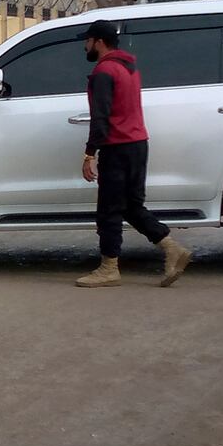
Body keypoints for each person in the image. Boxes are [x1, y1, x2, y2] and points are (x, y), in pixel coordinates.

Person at [75, 20, 194, 288]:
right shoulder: (129, 67)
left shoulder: (104, 71)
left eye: (87, 40)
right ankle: (171, 248)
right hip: (138, 144)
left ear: (99, 41)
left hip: (117, 147)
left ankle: (109, 268)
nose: (85, 45)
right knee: (130, 206)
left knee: (109, 210)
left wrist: (89, 154)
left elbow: (101, 117)